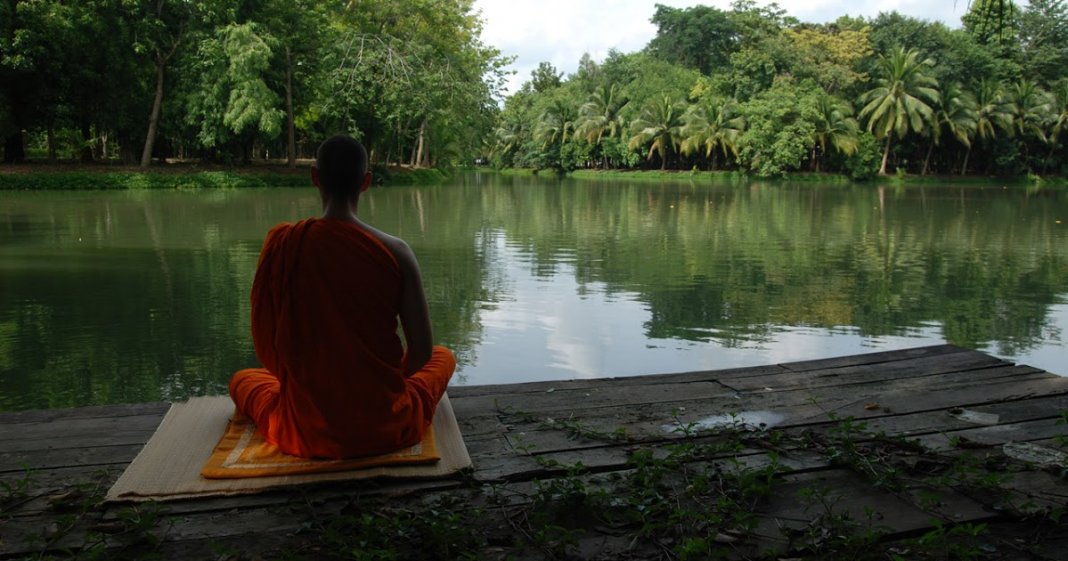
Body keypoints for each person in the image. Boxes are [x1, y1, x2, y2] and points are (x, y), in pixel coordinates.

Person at [228, 134, 456, 459]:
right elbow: (420, 352)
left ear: (314, 177)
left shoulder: (285, 244)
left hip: (305, 430)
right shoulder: (397, 251)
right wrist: (378, 383)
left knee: (243, 379)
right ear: (366, 182)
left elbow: (267, 350)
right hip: (385, 423)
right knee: (442, 356)